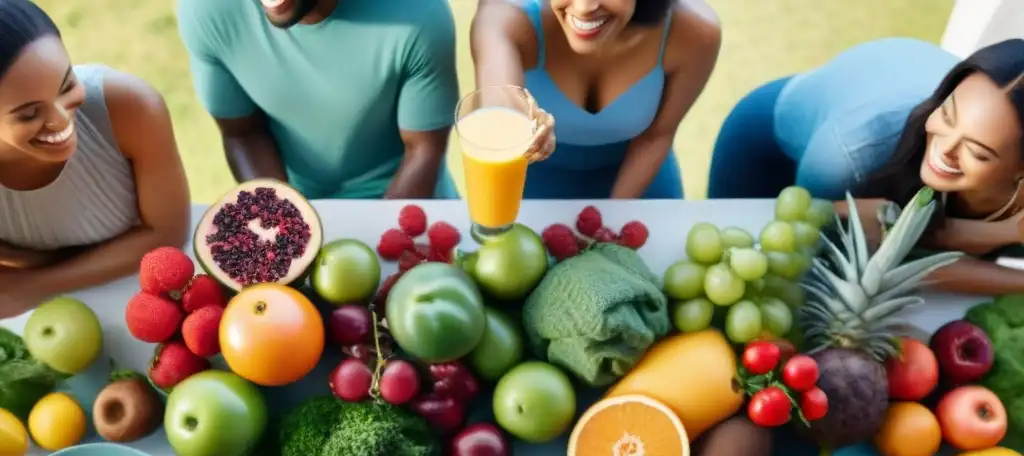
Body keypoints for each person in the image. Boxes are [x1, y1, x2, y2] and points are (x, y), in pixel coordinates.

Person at [708, 37, 1024, 295]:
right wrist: (1006, 234)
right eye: (946, 114)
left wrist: (1005, 230)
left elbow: (918, 233)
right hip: (768, 146)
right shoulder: (849, 157)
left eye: (978, 152)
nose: (945, 149)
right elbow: (879, 257)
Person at [0, 0, 190, 320]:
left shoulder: (131, 107)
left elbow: (167, 234)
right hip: (50, 321)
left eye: (67, 85)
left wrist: (34, 285)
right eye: (30, 114)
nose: (61, 121)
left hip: (152, 302)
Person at [176, 0, 459, 202]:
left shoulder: (419, 13)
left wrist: (382, 235)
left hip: (407, 201)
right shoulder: (205, 9)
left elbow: (424, 150)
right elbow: (242, 132)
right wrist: (281, 219)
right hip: (293, 200)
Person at [468, 0, 721, 199]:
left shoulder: (694, 31)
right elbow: (497, 103)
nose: (584, 8)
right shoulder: (505, 16)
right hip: (527, 188)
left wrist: (614, 219)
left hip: (641, 184)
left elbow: (657, 135)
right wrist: (518, 123)